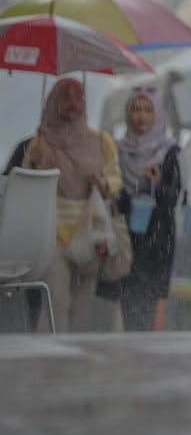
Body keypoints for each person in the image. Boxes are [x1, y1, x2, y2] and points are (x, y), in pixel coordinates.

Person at [21, 78, 122, 332]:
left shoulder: (101, 141)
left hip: (90, 232)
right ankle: (53, 353)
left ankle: (77, 354)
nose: (73, 103)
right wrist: (33, 163)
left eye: (79, 96)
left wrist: (102, 183)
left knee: (83, 303)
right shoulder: (40, 143)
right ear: (52, 103)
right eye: (65, 96)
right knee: (57, 300)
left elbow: (115, 180)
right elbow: (27, 186)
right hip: (52, 235)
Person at [113, 86, 182, 332]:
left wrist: (159, 183)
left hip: (156, 239)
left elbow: (175, 197)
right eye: (135, 109)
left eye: (147, 110)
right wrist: (117, 194)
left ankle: (142, 348)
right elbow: (117, 196)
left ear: (158, 115)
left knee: (147, 304)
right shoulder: (118, 151)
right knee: (128, 300)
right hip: (127, 237)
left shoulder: (170, 152)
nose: (140, 115)